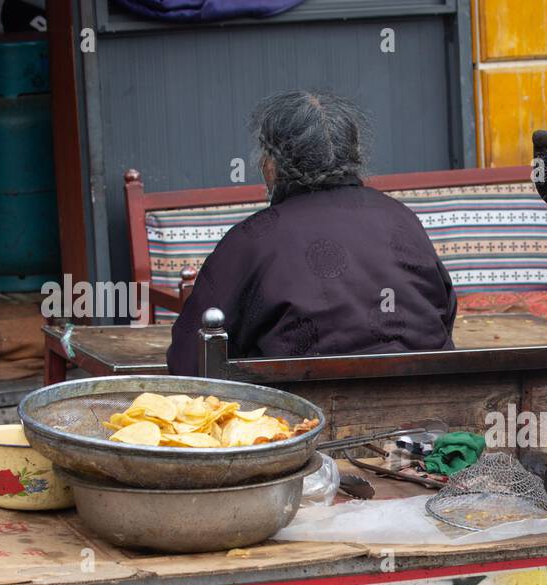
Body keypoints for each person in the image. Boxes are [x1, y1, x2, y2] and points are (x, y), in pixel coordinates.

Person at [166, 90, 456, 374]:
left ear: (272, 165)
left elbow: (190, 363)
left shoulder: (250, 240)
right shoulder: (400, 218)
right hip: (432, 413)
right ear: (353, 156)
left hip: (303, 419)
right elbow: (444, 313)